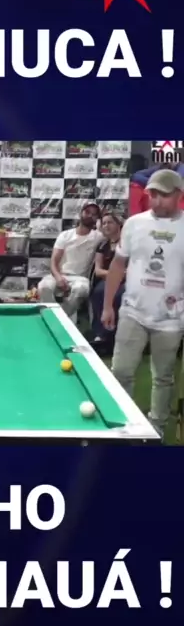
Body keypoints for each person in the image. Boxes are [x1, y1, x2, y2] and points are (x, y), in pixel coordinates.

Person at [102, 169, 184, 436]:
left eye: (164, 195)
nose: (157, 201)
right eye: (153, 194)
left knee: (163, 377)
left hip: (171, 317)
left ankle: (157, 427)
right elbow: (118, 264)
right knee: (121, 371)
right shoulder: (134, 224)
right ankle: (124, 424)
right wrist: (107, 305)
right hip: (133, 312)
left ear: (178, 195)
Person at [38, 202, 103, 318]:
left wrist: (101, 224)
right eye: (87, 212)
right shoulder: (65, 235)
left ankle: (60, 318)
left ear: (97, 218)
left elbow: (114, 234)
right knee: (44, 286)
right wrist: (58, 277)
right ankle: (52, 316)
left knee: (80, 289)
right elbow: (54, 261)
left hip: (80, 278)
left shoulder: (98, 236)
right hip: (59, 275)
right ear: (80, 213)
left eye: (94, 214)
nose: (90, 216)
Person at [90, 212, 124, 351]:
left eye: (110, 222)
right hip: (108, 280)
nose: (106, 226)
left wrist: (120, 275)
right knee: (99, 292)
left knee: (119, 296)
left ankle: (117, 336)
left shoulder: (127, 243)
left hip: (126, 280)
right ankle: (100, 335)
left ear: (118, 224)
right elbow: (98, 271)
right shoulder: (102, 245)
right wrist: (113, 275)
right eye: (104, 223)